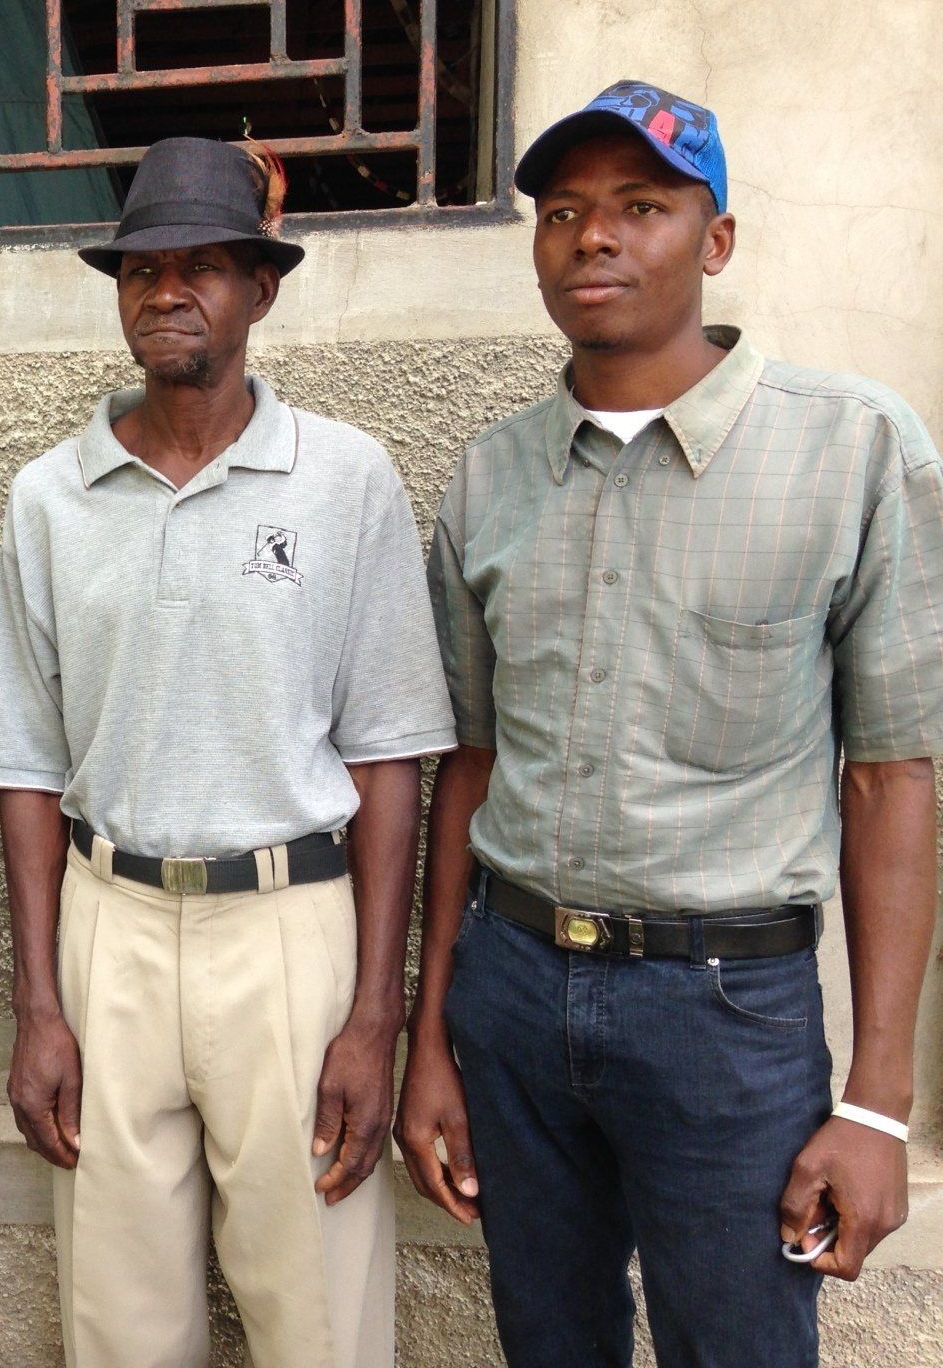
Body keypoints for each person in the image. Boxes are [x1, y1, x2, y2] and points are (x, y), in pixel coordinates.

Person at [398, 80, 943, 1368]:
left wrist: (879, 1102)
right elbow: (469, 766)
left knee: (738, 1347)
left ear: (717, 240)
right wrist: (434, 1035)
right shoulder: (492, 474)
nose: (593, 235)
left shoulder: (850, 451)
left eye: (641, 206)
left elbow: (891, 778)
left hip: (724, 1014)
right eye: (564, 211)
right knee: (549, 1342)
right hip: (513, 992)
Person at [0, 137, 455, 1368]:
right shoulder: (50, 497)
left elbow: (390, 762)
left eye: (203, 267)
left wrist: (375, 1016)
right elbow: (24, 768)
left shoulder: (345, 480)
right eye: (142, 268)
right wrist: (39, 1005)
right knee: (120, 1327)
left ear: (261, 289)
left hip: (291, 934)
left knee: (319, 1321)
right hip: (110, 929)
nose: (167, 290)